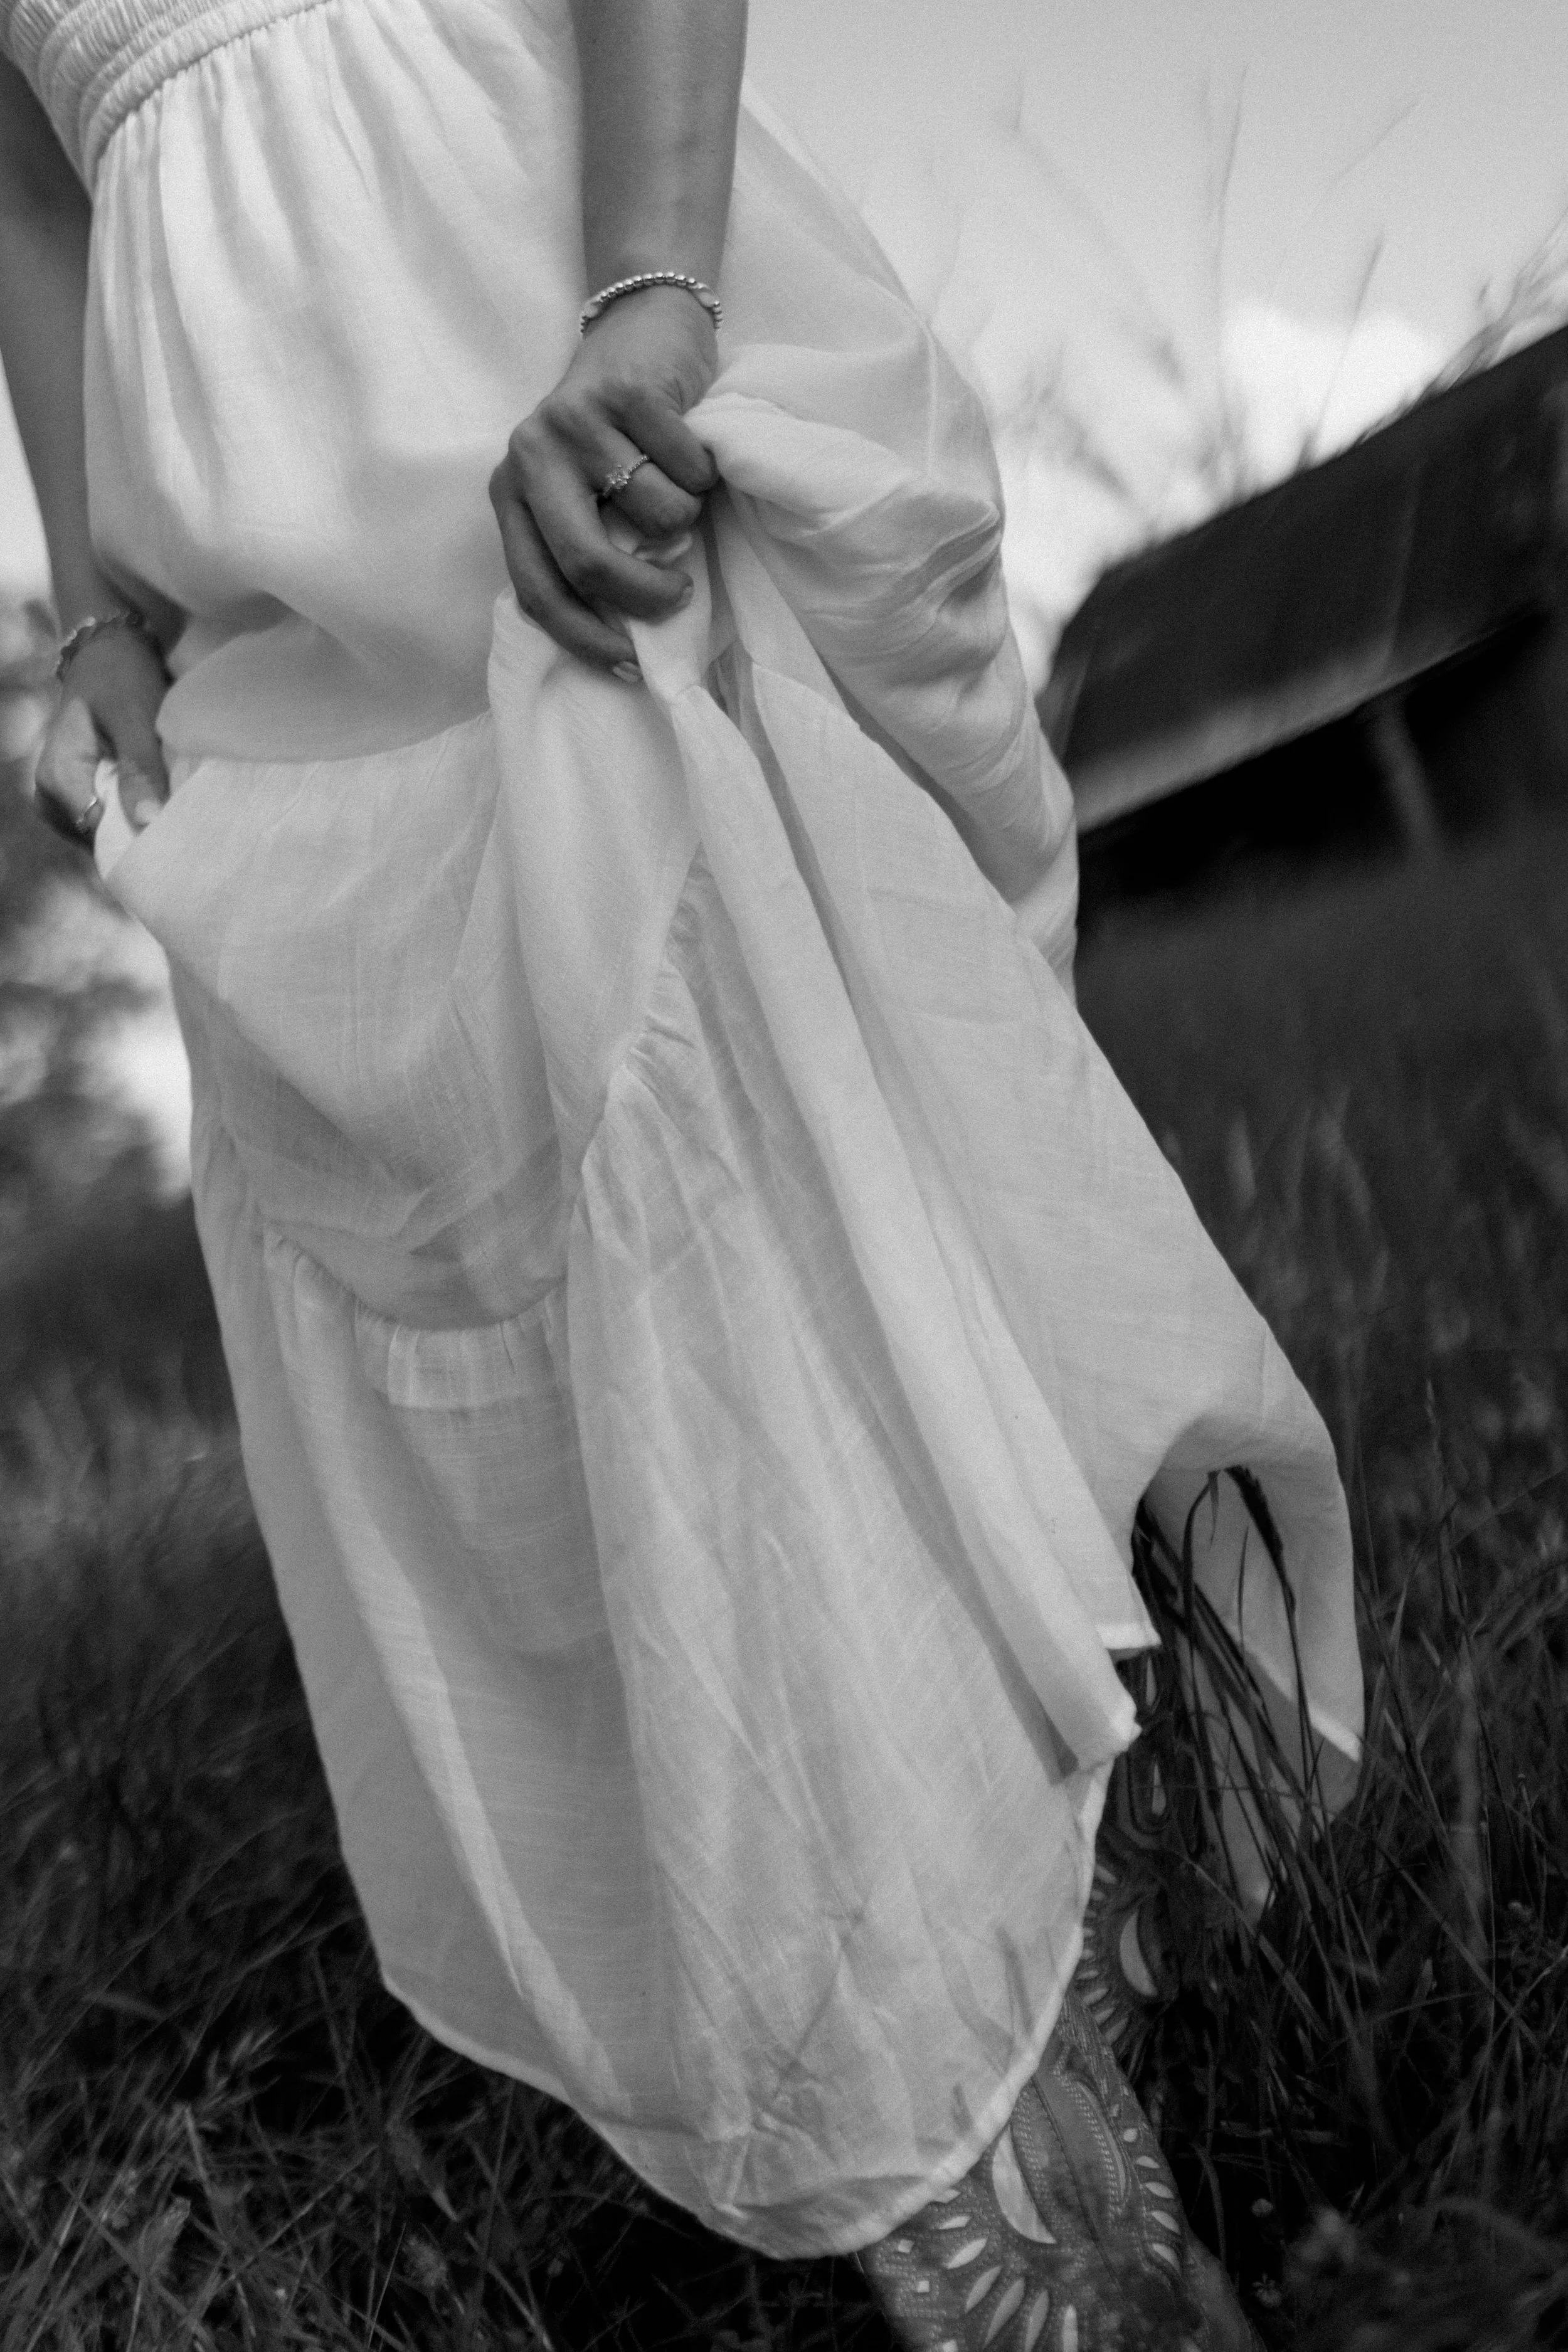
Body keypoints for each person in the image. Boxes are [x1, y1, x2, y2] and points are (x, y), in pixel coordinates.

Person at [0, 1, 1363, 2343]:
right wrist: (106, 610)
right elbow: (31, 192)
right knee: (536, 1277)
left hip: (534, 297)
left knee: (761, 1138)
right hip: (253, 514)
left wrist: (643, 292)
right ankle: (957, 2029)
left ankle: (1028, 2128)